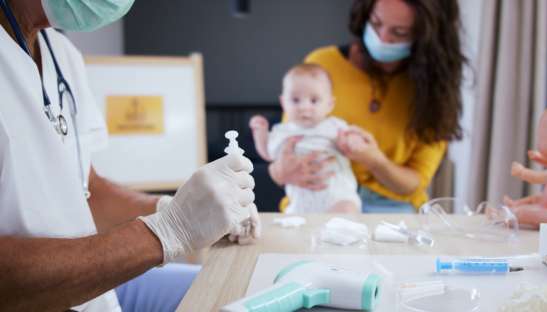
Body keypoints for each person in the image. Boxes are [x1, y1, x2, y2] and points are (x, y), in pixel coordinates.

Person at [0, 0, 259, 311]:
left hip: (95, 295)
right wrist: (167, 231)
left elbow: (88, 192)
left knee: (243, 291)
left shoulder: (60, 53)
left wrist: (176, 209)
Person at [268, 0, 466, 213]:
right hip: (316, 198)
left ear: (425, 37)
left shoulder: (434, 90)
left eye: (399, 32)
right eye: (376, 23)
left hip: (390, 206)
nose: (382, 38)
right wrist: (279, 172)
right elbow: (286, 147)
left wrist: (374, 160)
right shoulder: (321, 65)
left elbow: (414, 183)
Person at [250, 64, 361, 213]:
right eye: (295, 100)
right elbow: (268, 154)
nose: (304, 107)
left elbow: (351, 142)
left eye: (314, 100)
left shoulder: (334, 126)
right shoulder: (282, 131)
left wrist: (353, 141)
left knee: (346, 212)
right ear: (284, 103)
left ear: (329, 104)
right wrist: (260, 134)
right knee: (294, 226)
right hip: (301, 202)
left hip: (338, 196)